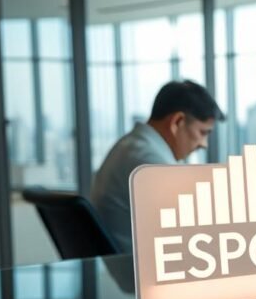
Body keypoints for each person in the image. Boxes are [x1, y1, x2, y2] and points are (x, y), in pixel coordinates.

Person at [91, 80, 224, 253]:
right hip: (143, 265)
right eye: (202, 132)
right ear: (177, 122)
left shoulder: (132, 148)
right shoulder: (149, 162)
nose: (204, 144)